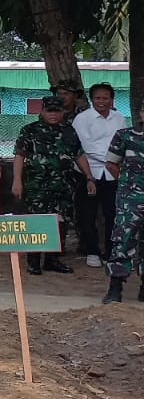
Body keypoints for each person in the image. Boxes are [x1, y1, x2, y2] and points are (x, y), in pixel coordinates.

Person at [12, 95, 85, 275]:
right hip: (37, 186)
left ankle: (53, 260)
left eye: (57, 111)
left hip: (63, 186)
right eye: (49, 110)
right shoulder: (29, 130)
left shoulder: (70, 131)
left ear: (62, 112)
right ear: (42, 111)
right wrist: (17, 180)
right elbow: (19, 156)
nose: (53, 114)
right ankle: (34, 261)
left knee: (60, 223)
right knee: (36, 222)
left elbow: (79, 155)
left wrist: (89, 177)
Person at [74, 82, 128, 268]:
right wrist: (109, 159)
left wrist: (114, 161)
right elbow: (85, 147)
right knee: (87, 214)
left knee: (112, 213)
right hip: (88, 172)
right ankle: (92, 251)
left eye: (105, 98)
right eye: (98, 98)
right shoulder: (82, 119)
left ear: (111, 99)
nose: (101, 101)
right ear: (92, 99)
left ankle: (110, 251)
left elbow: (122, 142)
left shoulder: (119, 118)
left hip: (113, 173)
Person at [102, 120, 144, 304]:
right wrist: (128, 185)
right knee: (123, 240)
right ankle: (115, 288)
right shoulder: (124, 135)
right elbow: (111, 163)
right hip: (130, 199)